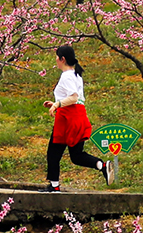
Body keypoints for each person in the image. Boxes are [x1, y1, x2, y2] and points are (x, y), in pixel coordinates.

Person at [44, 44, 109, 191]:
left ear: (62, 59)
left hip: (67, 118)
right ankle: (101, 165)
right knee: (76, 155)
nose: (55, 60)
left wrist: (57, 104)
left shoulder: (66, 76)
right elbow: (76, 99)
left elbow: (73, 97)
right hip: (79, 115)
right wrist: (55, 103)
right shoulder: (76, 75)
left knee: (53, 153)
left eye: (57, 57)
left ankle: (54, 186)